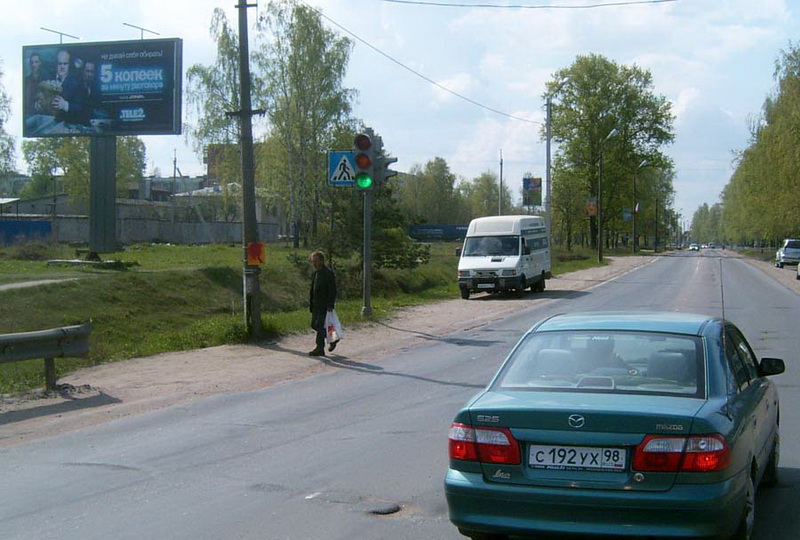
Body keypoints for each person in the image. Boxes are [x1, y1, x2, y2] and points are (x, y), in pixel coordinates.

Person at [308, 250, 337, 356]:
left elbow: (332, 290)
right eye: (313, 261)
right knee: (314, 325)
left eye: (316, 261)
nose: (314, 263)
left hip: (324, 305)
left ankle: (319, 348)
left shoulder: (328, 273)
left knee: (319, 325)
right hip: (316, 304)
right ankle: (333, 338)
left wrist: (330, 304)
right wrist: (311, 303)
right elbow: (313, 290)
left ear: (321, 261)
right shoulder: (315, 273)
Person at [53, 58, 97, 125]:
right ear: (82, 71)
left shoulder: (95, 86)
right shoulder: (72, 83)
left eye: (92, 72)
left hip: (87, 125)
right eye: (87, 71)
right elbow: (63, 104)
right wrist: (65, 105)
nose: (89, 74)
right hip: (70, 125)